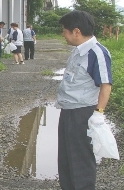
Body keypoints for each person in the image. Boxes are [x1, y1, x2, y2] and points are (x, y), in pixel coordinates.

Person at [56, 10, 112, 190]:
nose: (63, 34)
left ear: (76, 31)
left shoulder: (97, 53)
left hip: (83, 113)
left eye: (65, 30)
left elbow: (105, 85)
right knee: (66, 158)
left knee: (80, 159)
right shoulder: (78, 51)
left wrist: (99, 113)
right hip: (68, 111)